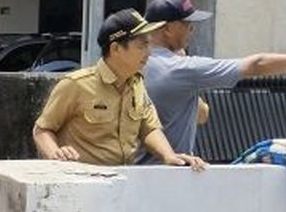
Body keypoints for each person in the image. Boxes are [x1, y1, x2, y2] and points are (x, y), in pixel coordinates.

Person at [137, 0, 286, 161]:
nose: (192, 30)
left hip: (131, 169)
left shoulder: (134, 63)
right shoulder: (182, 68)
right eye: (187, 24)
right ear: (167, 28)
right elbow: (256, 65)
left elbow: (201, 115)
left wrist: (189, 86)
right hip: (166, 174)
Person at [33, 9, 207, 170]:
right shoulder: (76, 84)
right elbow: (42, 130)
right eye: (141, 46)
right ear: (116, 48)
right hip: (82, 183)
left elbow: (149, 128)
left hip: (123, 183)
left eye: (149, 45)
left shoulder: (137, 84)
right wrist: (55, 154)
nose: (148, 53)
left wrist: (170, 156)